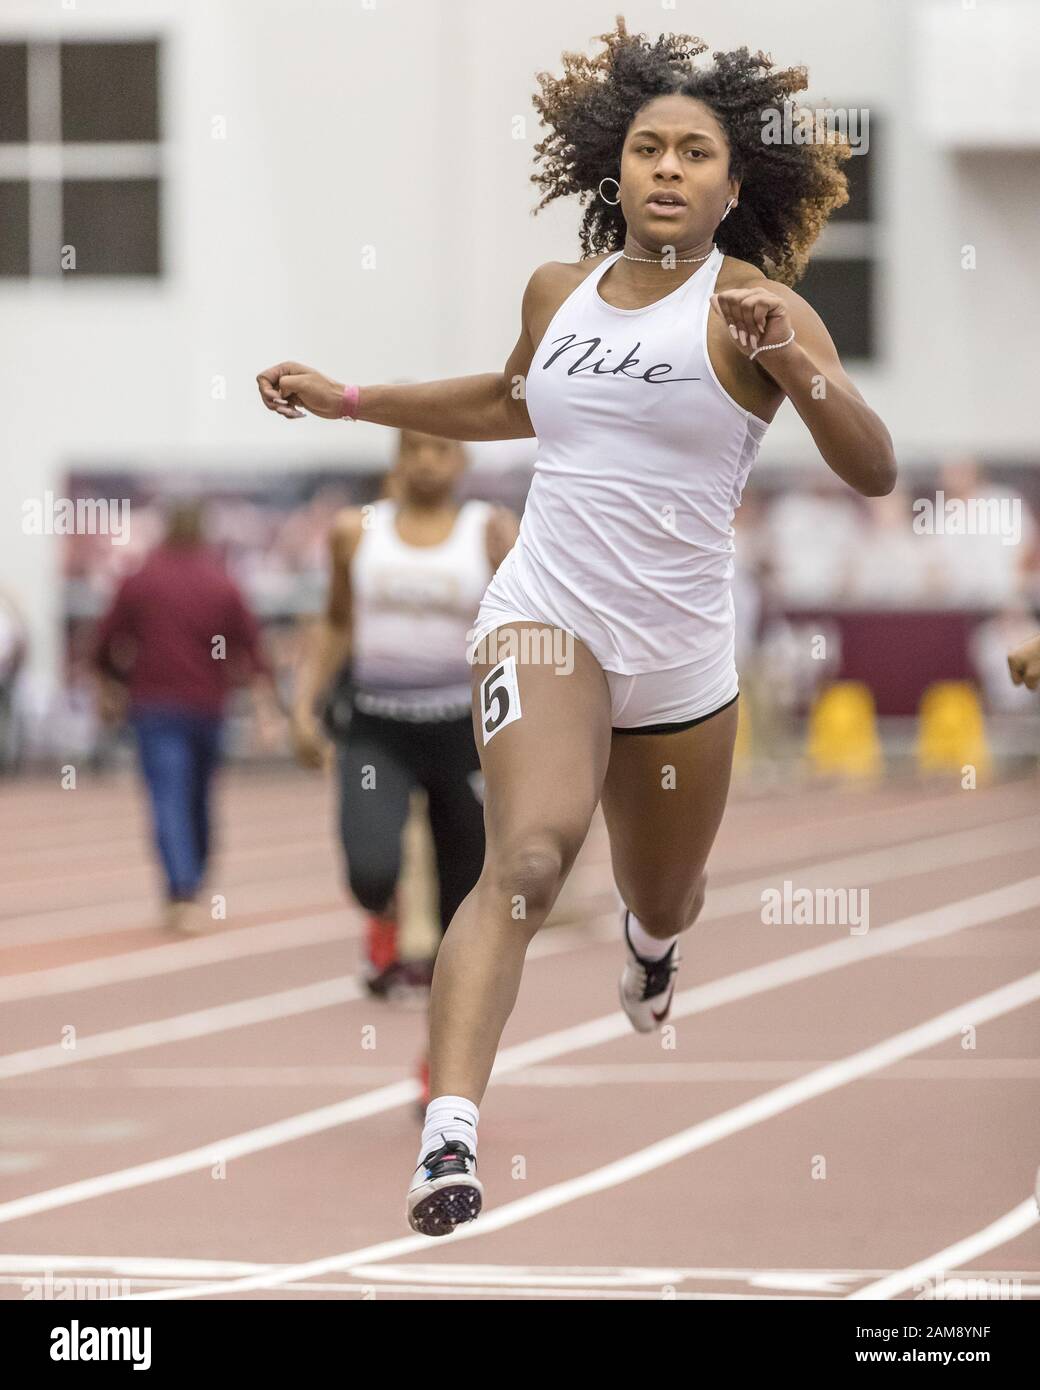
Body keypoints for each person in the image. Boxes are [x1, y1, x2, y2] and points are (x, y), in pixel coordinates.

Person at [256, 19, 897, 1237]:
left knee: (665, 887)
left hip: (676, 659)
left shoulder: (758, 308)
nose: (665, 169)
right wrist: (347, 395)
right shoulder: (559, 292)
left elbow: (870, 466)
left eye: (692, 154)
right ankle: (449, 1136)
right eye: (647, 148)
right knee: (531, 856)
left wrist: (798, 370)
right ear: (616, 170)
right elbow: (505, 399)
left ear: (729, 184)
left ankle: (652, 949)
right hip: (545, 619)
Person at [289, 431, 518, 1104]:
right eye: (413, 448)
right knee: (369, 869)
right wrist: (304, 706)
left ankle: (437, 1064)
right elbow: (335, 622)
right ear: (395, 461)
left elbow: (518, 630)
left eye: (440, 449)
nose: (425, 460)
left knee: (461, 916)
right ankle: (382, 917)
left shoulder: (491, 532)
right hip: (378, 729)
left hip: (462, 733)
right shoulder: (354, 533)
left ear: (462, 462)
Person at [93, 499, 284, 932]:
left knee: (168, 795)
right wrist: (265, 706)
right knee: (198, 796)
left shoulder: (140, 580)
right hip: (207, 707)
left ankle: (183, 889)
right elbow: (251, 647)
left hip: (155, 706)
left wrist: (110, 683)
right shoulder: (221, 581)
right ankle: (191, 880)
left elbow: (105, 642)